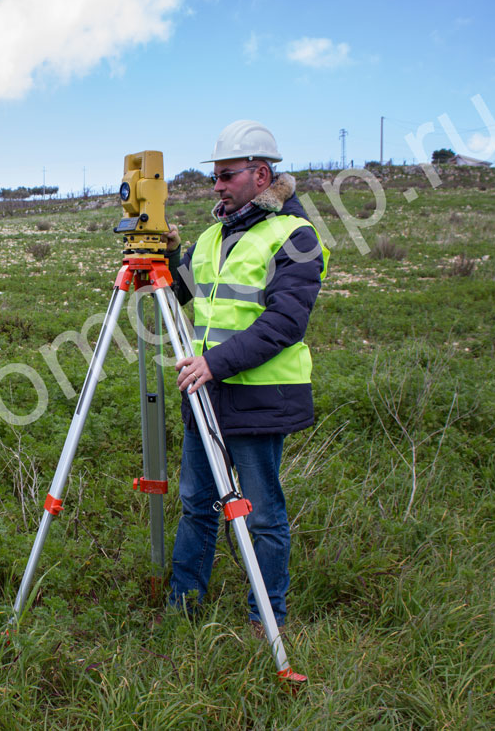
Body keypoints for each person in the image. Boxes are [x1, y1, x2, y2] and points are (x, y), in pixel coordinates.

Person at [163, 120, 329, 632]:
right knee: (197, 505)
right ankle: (183, 606)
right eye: (214, 177)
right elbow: (186, 294)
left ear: (260, 175)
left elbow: (284, 323)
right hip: (206, 395)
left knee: (262, 517)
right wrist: (167, 259)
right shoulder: (213, 235)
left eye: (226, 176)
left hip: (259, 398)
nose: (217, 186)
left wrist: (213, 363)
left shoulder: (296, 236)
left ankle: (266, 619)